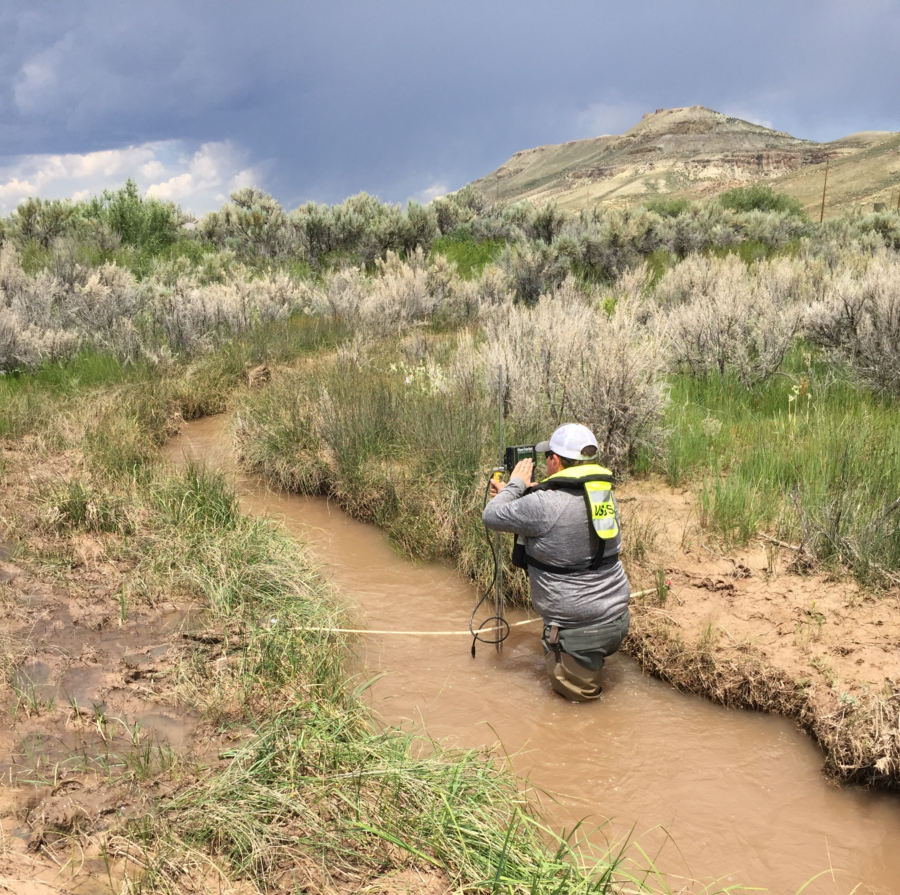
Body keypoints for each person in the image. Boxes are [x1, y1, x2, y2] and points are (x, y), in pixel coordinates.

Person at [482, 423, 630, 700]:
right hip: (616, 618)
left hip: (577, 630)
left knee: (577, 716)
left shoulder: (542, 505)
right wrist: (516, 493)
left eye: (546, 456)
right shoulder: (603, 494)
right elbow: (562, 506)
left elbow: (491, 516)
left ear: (555, 460)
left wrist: (514, 485)